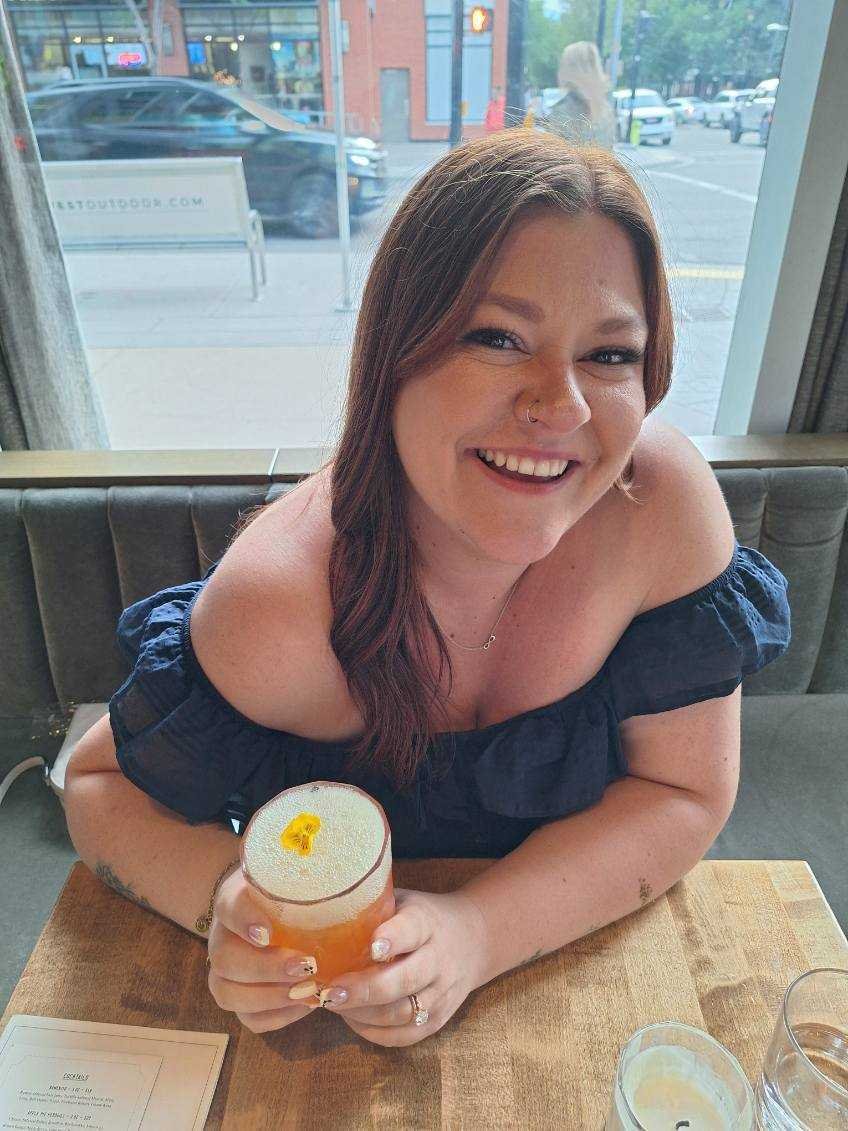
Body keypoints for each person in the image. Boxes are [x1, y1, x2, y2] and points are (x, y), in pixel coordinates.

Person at [63, 129, 791, 1049]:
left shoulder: (662, 510)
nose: (562, 405)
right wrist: (225, 901)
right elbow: (94, 785)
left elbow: (684, 792)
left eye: (610, 355)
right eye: (497, 337)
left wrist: (480, 931)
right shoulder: (278, 608)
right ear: (392, 357)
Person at [546, 40, 616, 149]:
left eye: (564, 64)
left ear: (570, 68)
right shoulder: (606, 110)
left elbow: (552, 154)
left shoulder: (563, 110)